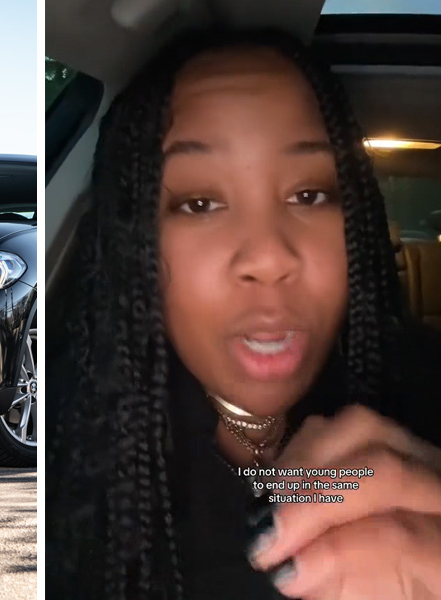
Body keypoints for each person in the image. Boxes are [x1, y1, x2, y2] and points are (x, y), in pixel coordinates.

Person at [46, 28, 441, 600]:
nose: (269, 257)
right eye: (200, 203)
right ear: (135, 246)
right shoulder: (62, 452)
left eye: (309, 195)